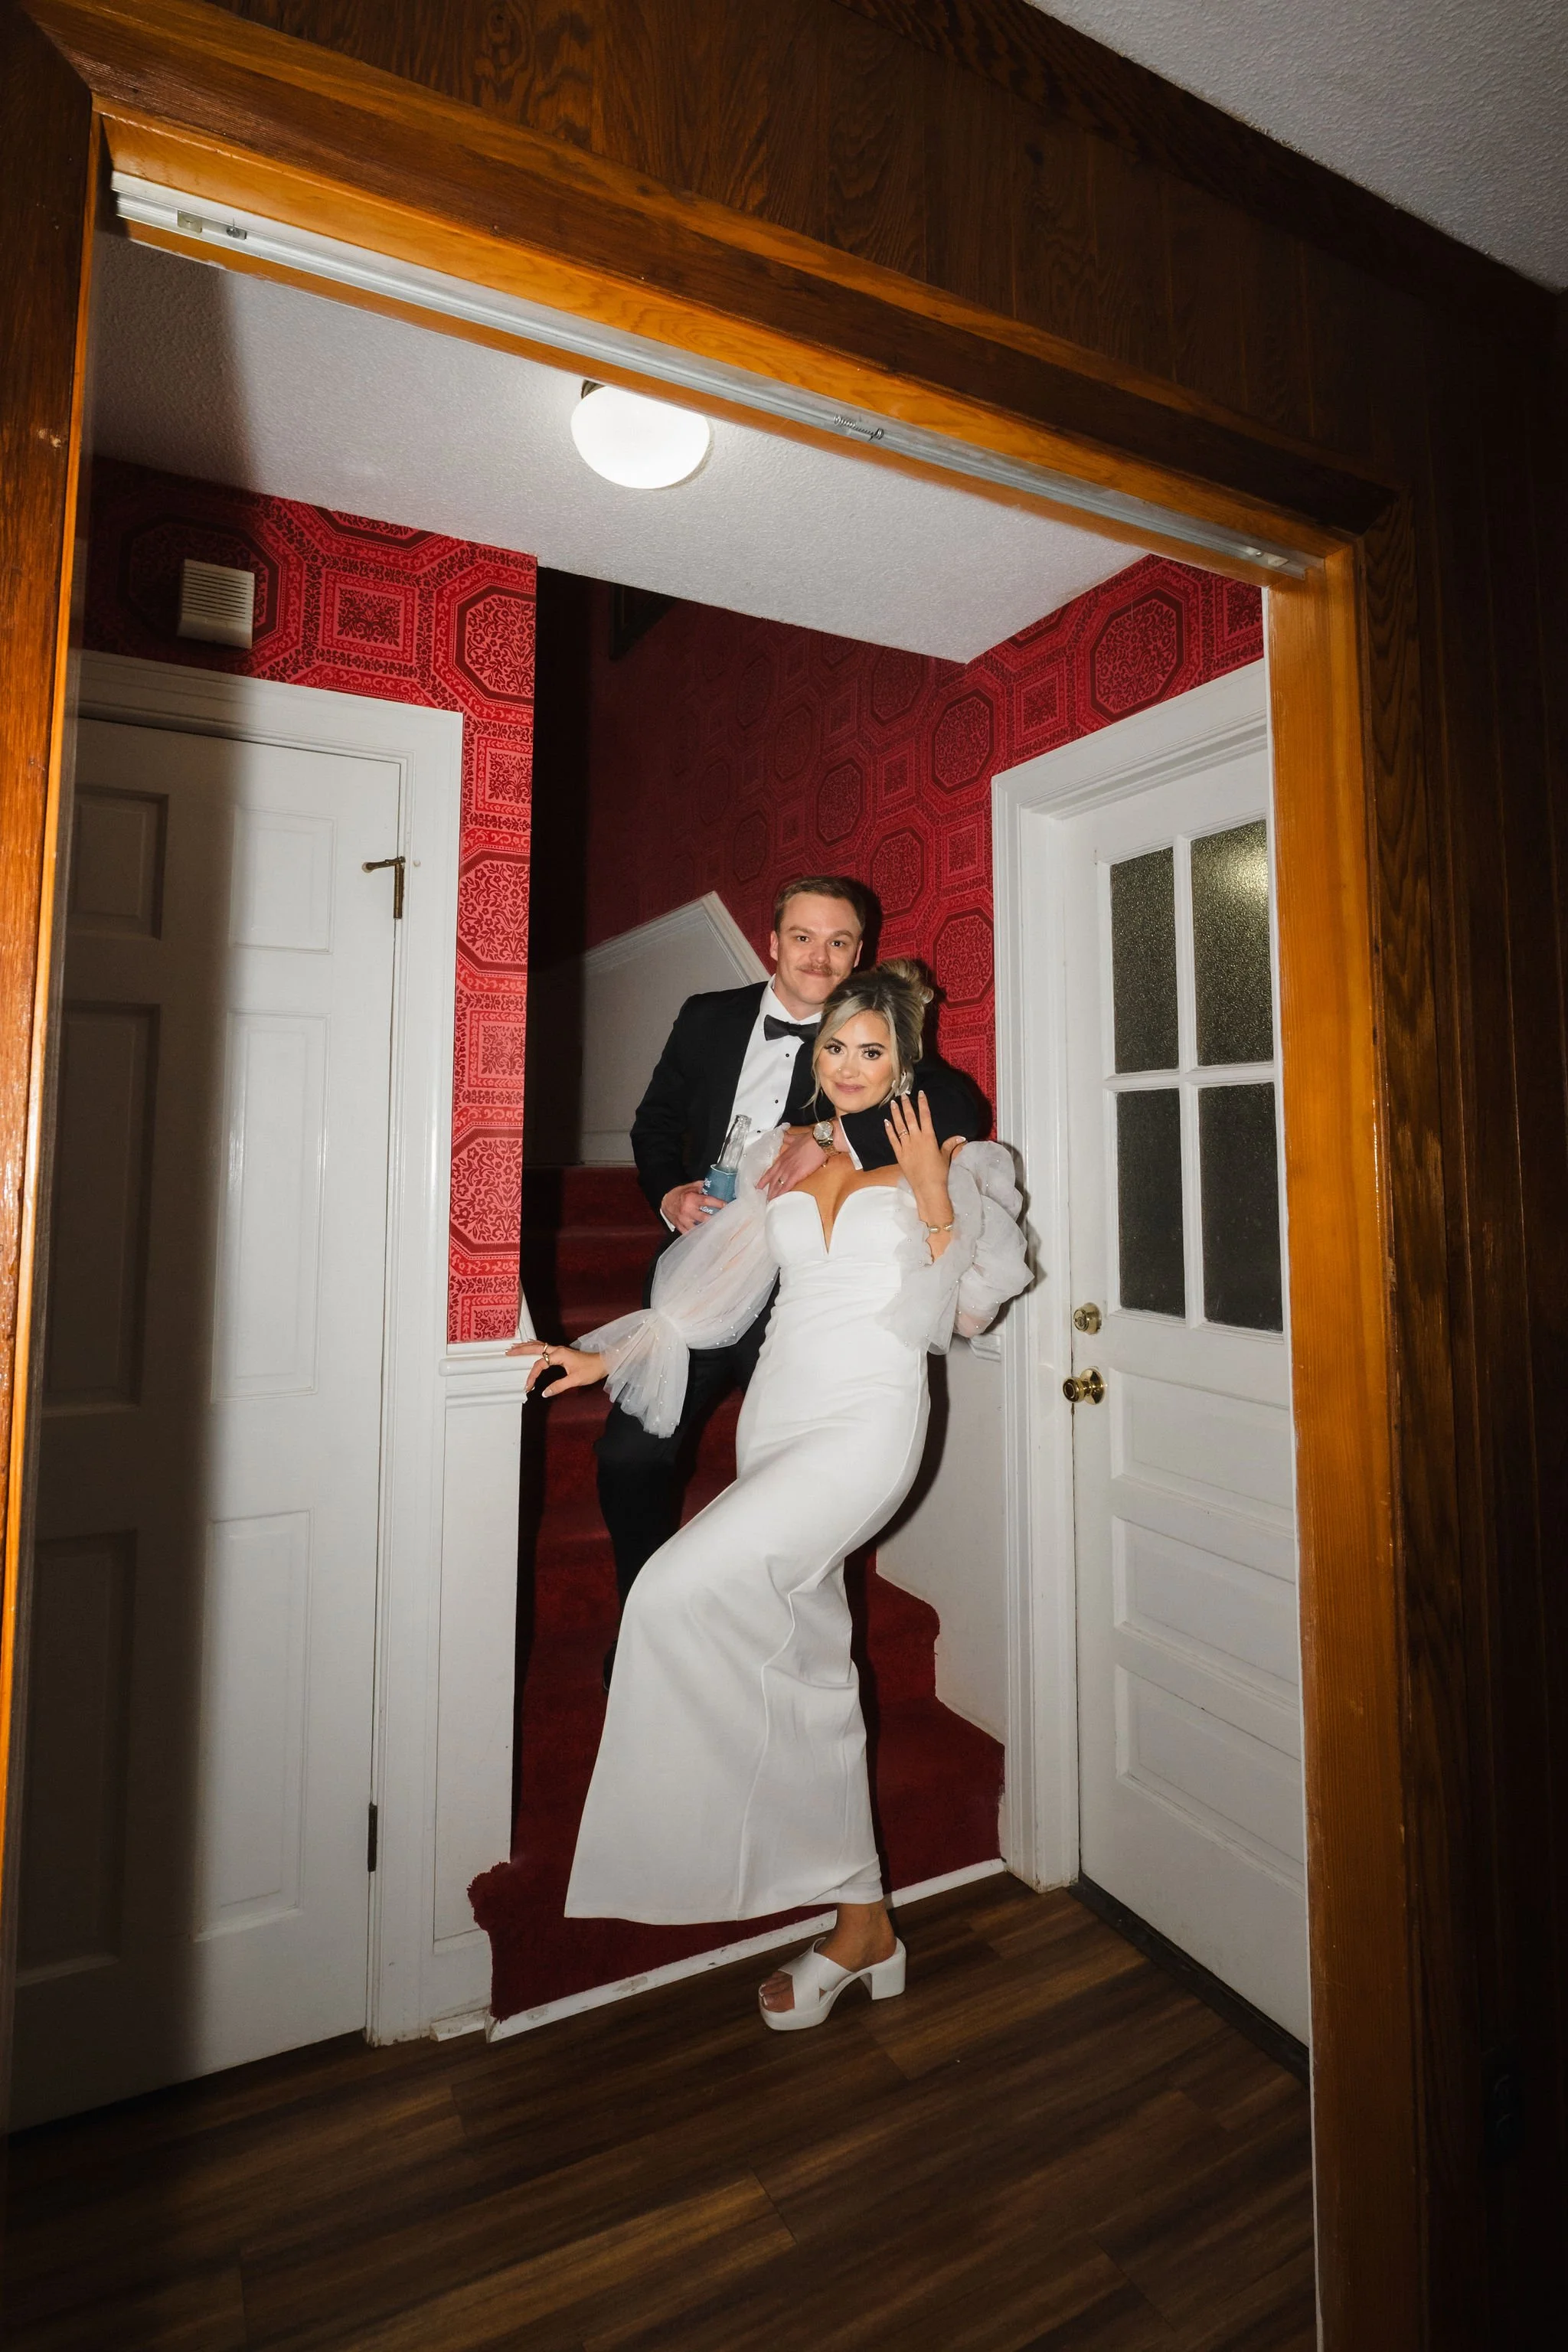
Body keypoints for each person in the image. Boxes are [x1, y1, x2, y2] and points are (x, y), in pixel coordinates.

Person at [512, 961, 1029, 2031]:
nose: (847, 1065)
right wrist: (606, 1359)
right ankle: (864, 1919)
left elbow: (968, 1313)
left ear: (905, 1061)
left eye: (871, 1050)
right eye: (833, 1046)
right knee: (808, 1661)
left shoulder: (948, 1157)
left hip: (864, 1422)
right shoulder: (779, 1156)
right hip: (776, 1415)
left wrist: (934, 1198)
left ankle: (694, 1839)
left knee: (670, 1591)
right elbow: (710, 1298)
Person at [597, 875, 982, 1680]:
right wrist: (668, 1194)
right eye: (802, 937)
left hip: (802, 1297)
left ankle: (764, 1652)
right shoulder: (707, 1017)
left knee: (789, 1489)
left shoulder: (868, 1031)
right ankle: (644, 1621)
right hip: (709, 1273)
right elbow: (653, 1124)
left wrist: (828, 1131)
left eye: (839, 941)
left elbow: (951, 1104)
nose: (818, 956)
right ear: (772, 942)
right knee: (632, 1455)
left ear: (859, 953)